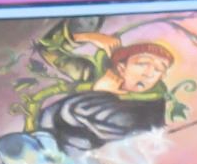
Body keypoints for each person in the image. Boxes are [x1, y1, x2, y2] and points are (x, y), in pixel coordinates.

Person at [35, 42, 177, 156]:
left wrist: (98, 92)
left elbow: (138, 139)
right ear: (122, 68)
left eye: (159, 69)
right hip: (48, 145)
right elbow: (48, 49)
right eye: (142, 64)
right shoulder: (95, 74)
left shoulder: (151, 108)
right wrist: (85, 36)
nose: (149, 73)